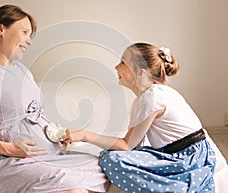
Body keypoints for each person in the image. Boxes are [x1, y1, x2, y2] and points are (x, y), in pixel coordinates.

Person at [0, 4, 109, 193]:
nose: (29, 41)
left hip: (47, 156)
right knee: (75, 190)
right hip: (5, 162)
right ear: (1, 29)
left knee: (105, 166)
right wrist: (10, 149)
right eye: (24, 32)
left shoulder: (21, 69)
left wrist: (55, 137)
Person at [63, 43, 216, 192]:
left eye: (123, 62)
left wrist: (85, 135)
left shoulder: (153, 97)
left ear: (141, 73)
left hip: (189, 160)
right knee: (112, 155)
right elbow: (134, 147)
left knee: (112, 159)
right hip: (176, 153)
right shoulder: (147, 98)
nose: (116, 67)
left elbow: (127, 145)